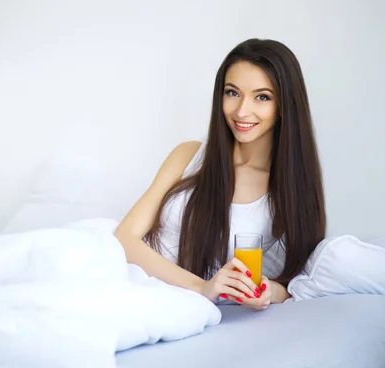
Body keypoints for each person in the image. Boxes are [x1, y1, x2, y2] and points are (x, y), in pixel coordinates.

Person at [114, 38, 326, 311]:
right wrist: (199, 287)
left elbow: (299, 279)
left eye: (262, 97)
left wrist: (271, 291)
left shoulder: (292, 190)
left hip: (175, 306)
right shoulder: (189, 155)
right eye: (232, 93)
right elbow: (124, 237)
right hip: (130, 280)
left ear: (285, 105)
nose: (241, 110)